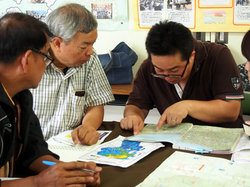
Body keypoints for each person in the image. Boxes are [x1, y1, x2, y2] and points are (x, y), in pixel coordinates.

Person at [0, 12, 101, 186]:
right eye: (47, 56)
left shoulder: (21, 97)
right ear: (27, 60)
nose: (48, 63)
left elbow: (33, 154)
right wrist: (37, 183)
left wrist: (65, 169)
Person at [121, 20, 244, 135]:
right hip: (176, 142)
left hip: (222, 140)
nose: (167, 77)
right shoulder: (148, 67)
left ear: (192, 56)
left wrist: (188, 106)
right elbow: (136, 104)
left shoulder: (218, 56)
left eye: (174, 70)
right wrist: (133, 116)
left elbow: (231, 109)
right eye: (159, 70)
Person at [30, 3, 114, 145]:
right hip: (33, 150)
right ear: (56, 43)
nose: (90, 52)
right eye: (83, 46)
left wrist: (88, 127)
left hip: (71, 146)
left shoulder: (90, 60)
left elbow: (95, 105)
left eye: (92, 45)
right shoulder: (31, 63)